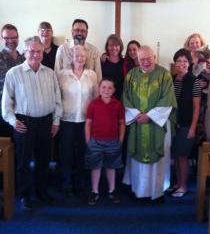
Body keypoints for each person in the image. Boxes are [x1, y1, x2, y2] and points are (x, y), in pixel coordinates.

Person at [1, 36, 62, 211]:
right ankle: (25, 196)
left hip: (45, 122)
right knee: (23, 163)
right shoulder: (14, 73)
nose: (35, 54)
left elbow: (57, 99)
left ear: (43, 52)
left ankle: (42, 192)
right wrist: (13, 121)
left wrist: (56, 121)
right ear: (25, 52)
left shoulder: (50, 73)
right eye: (32, 51)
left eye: (39, 51)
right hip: (24, 123)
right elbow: (6, 103)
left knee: (44, 161)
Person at [122, 45, 177, 202]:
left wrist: (150, 116)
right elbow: (125, 97)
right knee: (137, 158)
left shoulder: (164, 75)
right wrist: (137, 114)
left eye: (148, 58)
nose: (145, 62)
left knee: (159, 159)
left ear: (154, 57)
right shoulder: (131, 75)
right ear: (137, 60)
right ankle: (138, 190)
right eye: (142, 59)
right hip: (137, 122)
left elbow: (168, 99)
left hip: (158, 125)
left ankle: (157, 191)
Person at [57, 45, 98, 195]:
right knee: (66, 153)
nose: (80, 58)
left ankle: (80, 182)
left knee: (82, 152)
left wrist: (94, 120)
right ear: (72, 58)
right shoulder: (62, 74)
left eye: (82, 55)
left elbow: (95, 98)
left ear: (85, 57)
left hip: (85, 121)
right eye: (77, 55)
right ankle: (66, 183)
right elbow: (57, 98)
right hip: (66, 120)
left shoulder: (92, 75)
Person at [85, 78, 125, 205]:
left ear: (114, 90)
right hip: (95, 142)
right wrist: (88, 141)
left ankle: (112, 190)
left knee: (111, 166)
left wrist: (120, 140)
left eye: (109, 88)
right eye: (103, 87)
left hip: (113, 142)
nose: (106, 90)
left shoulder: (117, 104)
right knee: (95, 167)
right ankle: (94, 191)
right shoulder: (93, 104)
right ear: (98, 89)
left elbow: (122, 123)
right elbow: (88, 123)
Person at [169, 48, 201, 198]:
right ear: (175, 63)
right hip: (174, 123)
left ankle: (183, 186)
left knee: (183, 156)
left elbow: (196, 107)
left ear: (189, 63)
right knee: (175, 154)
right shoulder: (172, 78)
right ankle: (177, 183)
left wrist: (193, 128)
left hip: (187, 124)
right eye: (178, 61)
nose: (181, 64)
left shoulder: (194, 81)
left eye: (184, 61)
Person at [0, 24, 24, 136]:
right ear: (2, 38)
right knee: (5, 147)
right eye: (7, 38)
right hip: (3, 112)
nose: (11, 40)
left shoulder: (24, 59)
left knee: (20, 148)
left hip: (22, 111)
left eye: (13, 37)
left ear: (18, 37)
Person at [101, 34, 124, 100]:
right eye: (111, 45)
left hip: (121, 98)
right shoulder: (102, 62)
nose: (114, 48)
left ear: (120, 47)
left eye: (117, 45)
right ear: (107, 47)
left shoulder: (125, 62)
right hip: (106, 98)